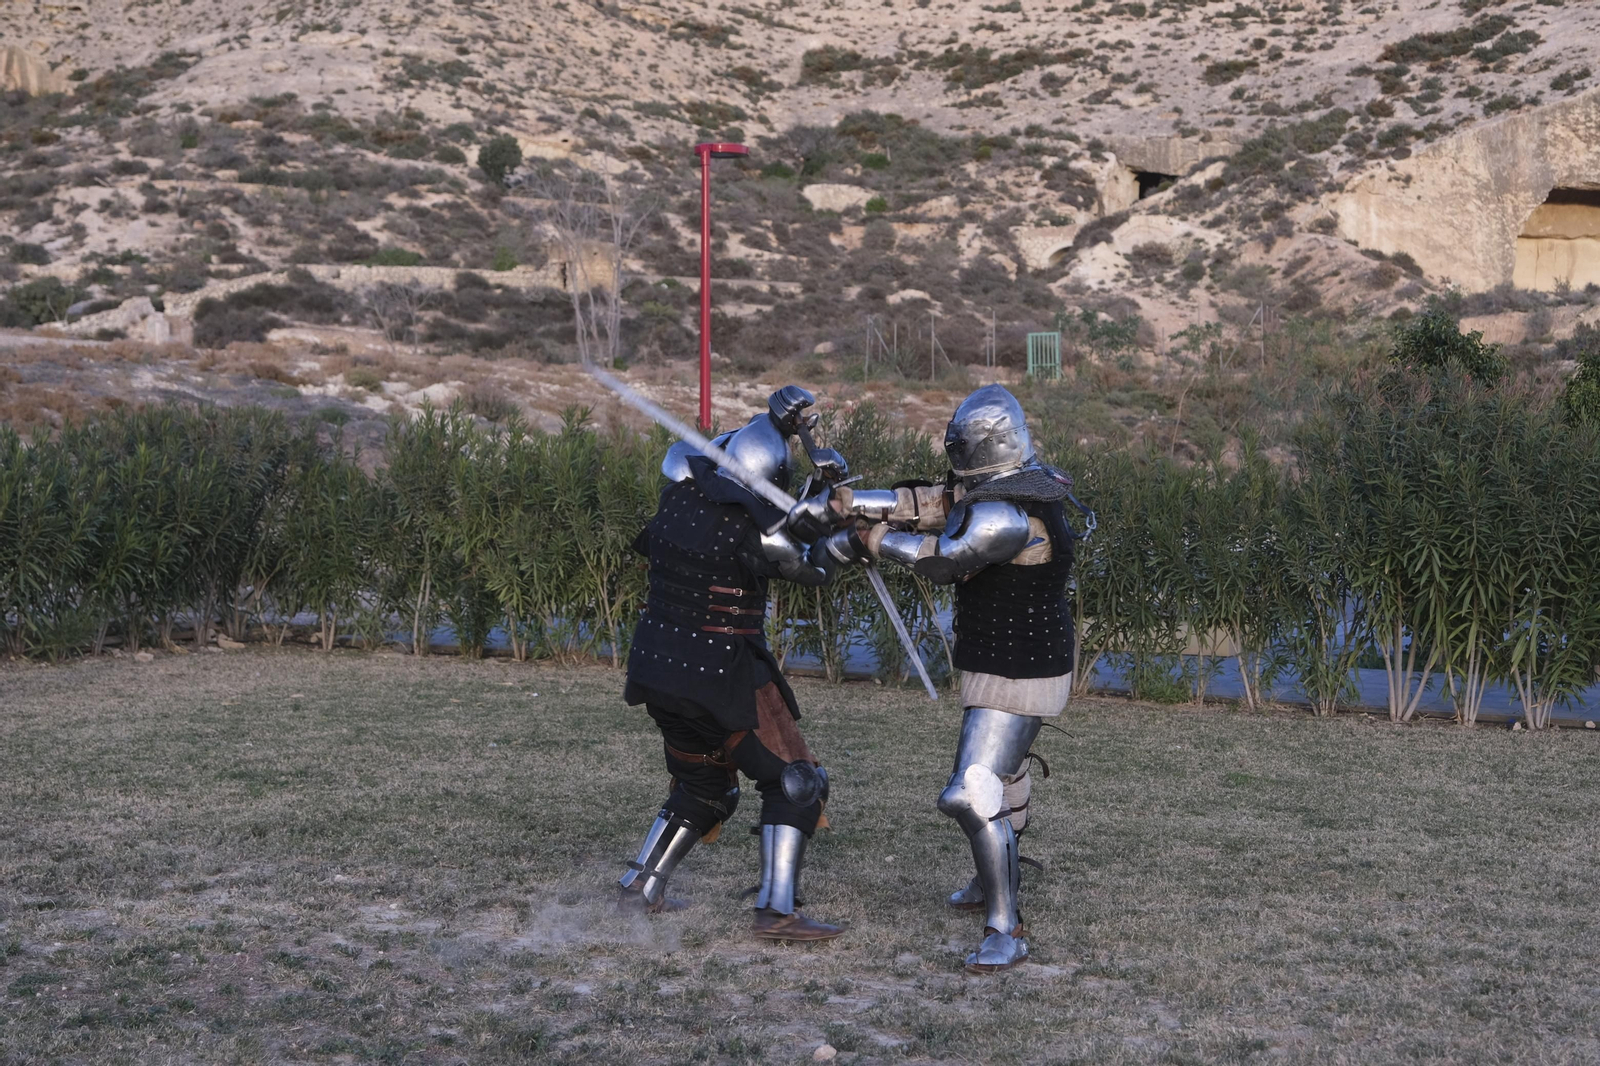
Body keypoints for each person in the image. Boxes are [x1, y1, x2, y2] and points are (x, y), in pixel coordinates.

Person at [793, 384, 1088, 973]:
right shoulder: (1017, 486)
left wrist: (868, 539)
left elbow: (944, 556)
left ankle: (1006, 929)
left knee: (972, 791)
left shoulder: (1008, 513)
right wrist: (852, 503)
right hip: (1004, 659)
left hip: (1019, 669)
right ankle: (989, 883)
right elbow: (931, 501)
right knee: (1006, 778)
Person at [617, 386, 847, 941]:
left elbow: (781, 526)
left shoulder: (675, 505)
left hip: (657, 670)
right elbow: (813, 567)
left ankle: (641, 886)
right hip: (723, 674)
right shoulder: (754, 530)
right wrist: (845, 537)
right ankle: (776, 910)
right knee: (796, 781)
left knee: (704, 786)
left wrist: (818, 491)